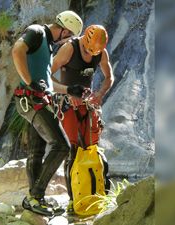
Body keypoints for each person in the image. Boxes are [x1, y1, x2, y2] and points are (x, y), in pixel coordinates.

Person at [11, 10, 85, 216]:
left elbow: (47, 82)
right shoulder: (37, 32)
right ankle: (35, 196)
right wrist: (29, 82)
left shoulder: (48, 47)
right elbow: (17, 50)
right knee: (61, 146)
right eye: (69, 36)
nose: (68, 41)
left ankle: (36, 199)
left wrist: (69, 90)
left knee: (36, 152)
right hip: (30, 100)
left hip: (36, 99)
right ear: (64, 30)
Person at [51, 24, 114, 214]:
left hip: (87, 102)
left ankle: (99, 192)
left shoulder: (101, 53)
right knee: (74, 149)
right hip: (66, 102)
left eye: (94, 51)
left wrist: (100, 93)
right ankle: (75, 200)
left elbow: (109, 77)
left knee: (92, 148)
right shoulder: (69, 48)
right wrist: (68, 91)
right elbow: (47, 76)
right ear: (85, 40)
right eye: (88, 50)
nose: (90, 53)